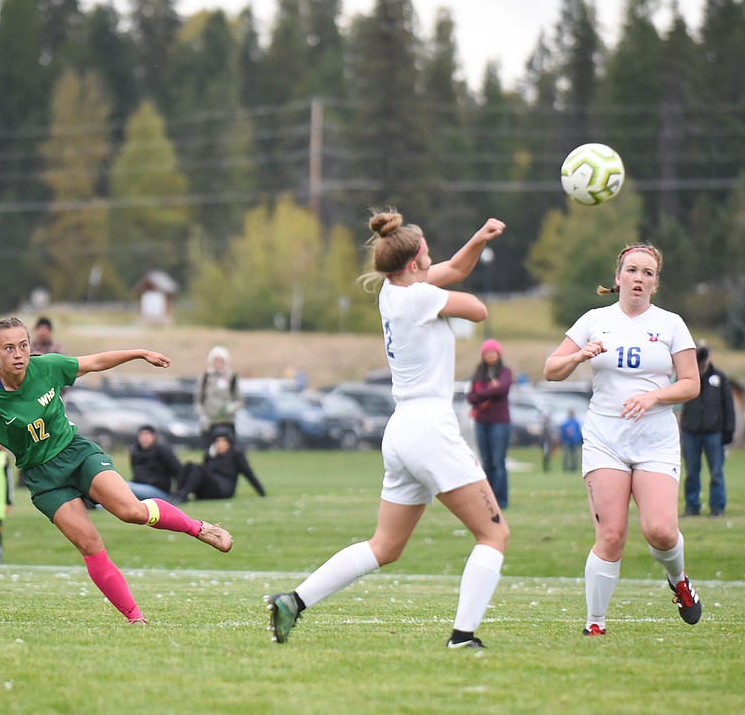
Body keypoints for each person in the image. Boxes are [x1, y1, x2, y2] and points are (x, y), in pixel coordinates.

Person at [265, 212, 509, 650]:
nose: (432, 262)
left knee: (385, 546)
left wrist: (477, 239)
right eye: (426, 256)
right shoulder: (417, 298)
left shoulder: (393, 292)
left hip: (401, 431)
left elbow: (452, 270)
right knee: (494, 534)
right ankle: (463, 636)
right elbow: (478, 309)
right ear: (414, 263)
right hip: (430, 429)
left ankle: (294, 601)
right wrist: (436, 285)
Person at [0, 316, 233, 624]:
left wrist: (140, 353)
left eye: (23, 345)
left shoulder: (46, 366)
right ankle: (136, 619)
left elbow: (97, 361)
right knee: (90, 545)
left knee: (132, 512)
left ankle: (200, 528)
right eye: (9, 348)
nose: (19, 354)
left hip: (76, 453)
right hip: (43, 478)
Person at [542, 242, 702, 637]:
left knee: (661, 531)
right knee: (611, 535)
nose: (639, 278)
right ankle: (595, 625)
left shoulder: (671, 324)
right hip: (605, 438)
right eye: (632, 270)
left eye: (647, 273)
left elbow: (691, 384)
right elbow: (550, 369)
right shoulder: (594, 320)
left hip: (655, 438)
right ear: (618, 278)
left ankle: (679, 580)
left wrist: (654, 395)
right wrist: (579, 357)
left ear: (655, 283)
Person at [680, 342, 735, 517]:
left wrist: (728, 431)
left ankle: (717, 507)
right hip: (691, 431)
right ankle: (692, 506)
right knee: (691, 473)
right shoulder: (687, 377)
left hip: (714, 432)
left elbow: (728, 405)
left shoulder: (719, 377)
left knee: (716, 472)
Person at [465, 338, 513, 508]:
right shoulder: (479, 374)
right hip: (481, 422)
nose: (490, 356)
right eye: (487, 353)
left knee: (498, 462)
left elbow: (502, 388)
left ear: (499, 354)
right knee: (485, 462)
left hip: (499, 422)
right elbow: (470, 396)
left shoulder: (505, 372)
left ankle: (501, 500)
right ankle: (488, 499)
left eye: (493, 352)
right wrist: (490, 390)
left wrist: (483, 393)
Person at [170, 427, 265, 503]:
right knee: (189, 465)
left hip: (222, 489)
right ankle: (177, 494)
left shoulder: (236, 455)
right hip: (206, 489)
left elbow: (248, 473)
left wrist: (261, 492)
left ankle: (182, 495)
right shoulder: (210, 454)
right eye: (217, 441)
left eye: (223, 441)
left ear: (229, 443)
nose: (220, 444)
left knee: (197, 468)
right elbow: (203, 475)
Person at [194, 346, 242, 449]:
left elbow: (239, 400)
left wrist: (231, 408)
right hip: (210, 423)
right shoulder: (205, 377)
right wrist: (202, 416)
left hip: (226, 422)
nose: (219, 363)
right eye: (216, 360)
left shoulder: (231, 377)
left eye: (221, 360)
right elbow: (198, 401)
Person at [125, 424, 183, 500]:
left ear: (153, 436)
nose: (144, 438)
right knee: (115, 488)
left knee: (122, 487)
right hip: (138, 486)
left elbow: (178, 470)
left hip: (158, 490)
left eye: (147, 435)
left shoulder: (162, 450)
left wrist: (180, 493)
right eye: (142, 435)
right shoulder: (135, 452)